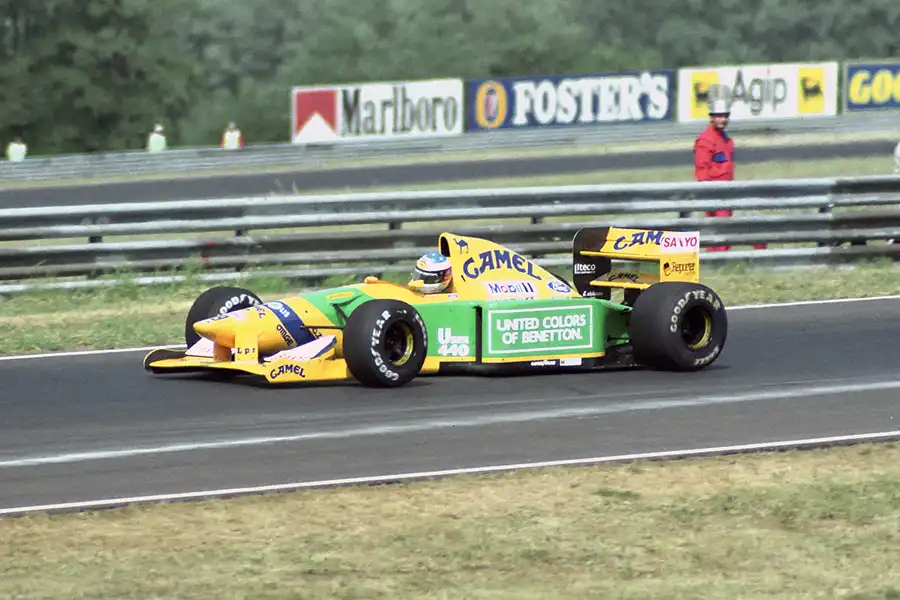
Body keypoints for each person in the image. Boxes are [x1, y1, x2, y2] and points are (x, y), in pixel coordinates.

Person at [693, 97, 766, 251]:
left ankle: (718, 264)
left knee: (720, 236)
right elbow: (702, 172)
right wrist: (709, 196)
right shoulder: (705, 141)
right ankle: (719, 262)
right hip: (714, 196)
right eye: (719, 116)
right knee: (720, 235)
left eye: (725, 116)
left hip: (727, 194)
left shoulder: (726, 140)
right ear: (711, 117)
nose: (723, 119)